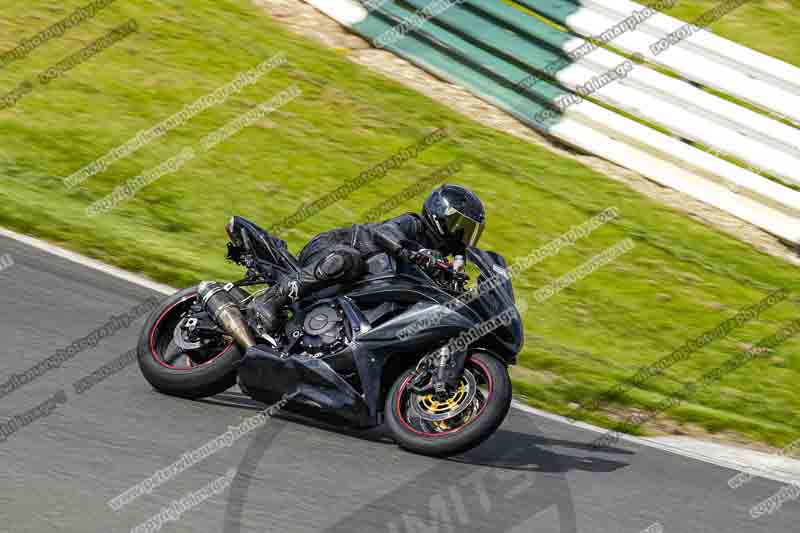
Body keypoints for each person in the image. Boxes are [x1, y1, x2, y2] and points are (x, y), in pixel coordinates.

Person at [249, 184, 486, 333]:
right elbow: (384, 233)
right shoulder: (413, 225)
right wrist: (413, 251)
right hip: (332, 247)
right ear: (440, 216)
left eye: (468, 230)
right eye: (459, 226)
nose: (461, 235)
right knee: (349, 260)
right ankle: (271, 299)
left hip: (360, 287)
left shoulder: (442, 260)